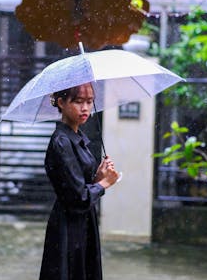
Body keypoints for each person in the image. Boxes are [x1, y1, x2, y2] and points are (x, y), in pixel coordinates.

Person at [39, 82, 119, 280]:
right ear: (61, 103)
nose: (85, 108)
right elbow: (77, 198)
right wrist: (104, 184)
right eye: (78, 101)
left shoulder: (77, 136)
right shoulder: (61, 142)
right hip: (68, 225)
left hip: (82, 221)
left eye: (90, 101)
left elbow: (79, 185)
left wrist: (98, 177)